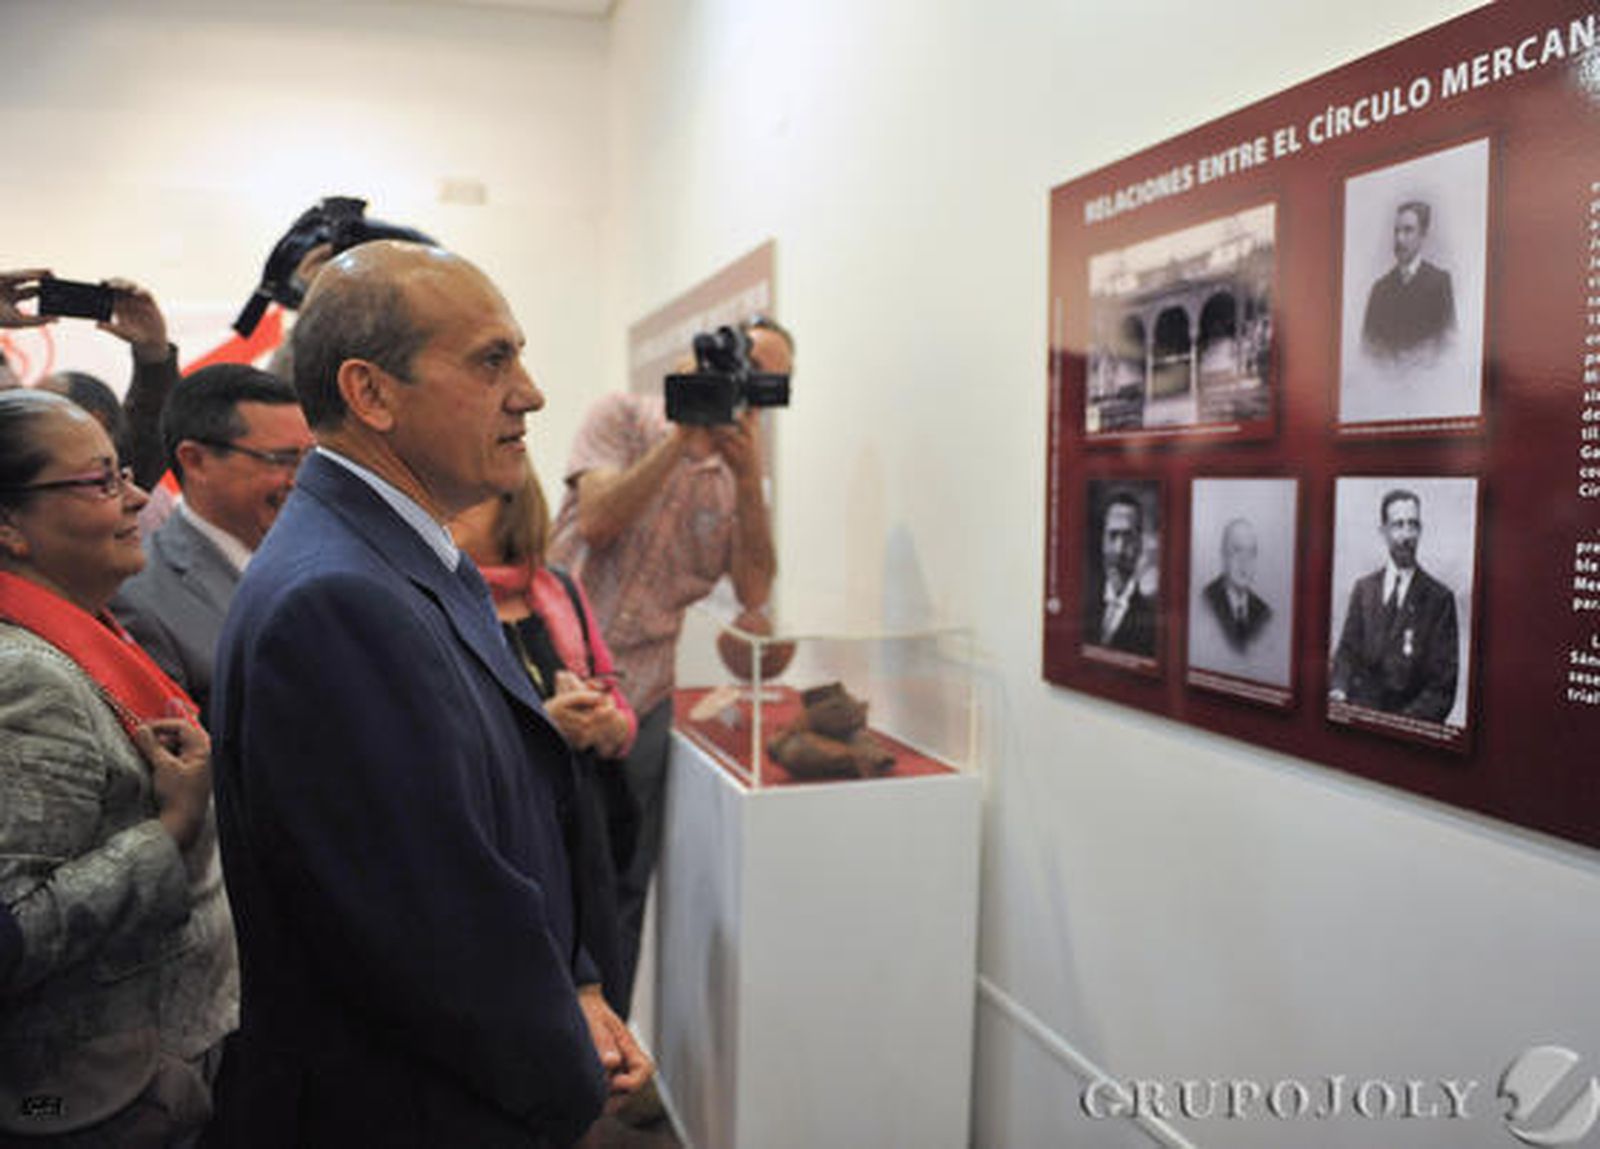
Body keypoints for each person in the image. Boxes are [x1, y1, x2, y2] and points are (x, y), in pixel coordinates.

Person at [209, 241, 648, 1148]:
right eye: (493, 360)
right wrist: (567, 1072)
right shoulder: (338, 596)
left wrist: (577, 982)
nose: (529, 392)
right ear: (370, 392)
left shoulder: (400, 555)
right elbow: (429, 928)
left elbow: (495, 812)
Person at [0, 390, 236, 1146]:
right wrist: (170, 828)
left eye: (124, 471)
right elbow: (16, 930)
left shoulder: (88, 636)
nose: (137, 496)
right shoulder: (28, 679)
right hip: (88, 1103)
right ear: (9, 526)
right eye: (100, 481)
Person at [548, 317, 785, 1017]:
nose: (742, 393)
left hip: (645, 697)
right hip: (557, 679)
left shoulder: (738, 477)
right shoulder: (619, 418)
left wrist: (745, 479)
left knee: (624, 884)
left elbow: (754, 590)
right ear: (695, 364)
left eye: (762, 380)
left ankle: (607, 1061)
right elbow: (596, 519)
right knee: (544, 870)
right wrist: (682, 440)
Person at [452, 460, 637, 1016]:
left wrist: (610, 723)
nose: (451, 515)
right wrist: (543, 725)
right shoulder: (444, 598)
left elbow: (616, 696)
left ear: (511, 505)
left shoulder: (559, 588)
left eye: (471, 501)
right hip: (503, 832)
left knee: (600, 979)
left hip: (583, 835)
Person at [110, 365, 312, 719]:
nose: (301, 480)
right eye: (281, 460)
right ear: (196, 461)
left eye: (310, 458)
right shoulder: (142, 599)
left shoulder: (330, 555)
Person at [1329, 488, 1459, 722]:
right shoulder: (1364, 589)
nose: (1407, 535)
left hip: (1406, 732)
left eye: (1413, 525)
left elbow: (1442, 689)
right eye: (1398, 525)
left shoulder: (1439, 600)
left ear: (1420, 530)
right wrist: (1338, 691)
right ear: (1383, 532)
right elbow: (1346, 654)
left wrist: (1397, 725)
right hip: (1357, 722)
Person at [1360, 201, 1456, 361]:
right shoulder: (1379, 289)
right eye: (1396, 231)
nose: (1399, 239)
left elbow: (1449, 347)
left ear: (1423, 235)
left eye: (1408, 230)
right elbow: (1367, 351)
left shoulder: (1440, 282)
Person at [1083, 489, 1156, 656]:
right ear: (1102, 540)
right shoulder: (1081, 602)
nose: (1118, 549)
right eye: (1112, 535)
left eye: (1128, 537)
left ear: (1140, 544)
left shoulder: (1152, 623)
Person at [1201, 517, 1271, 653]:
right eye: (1237, 550)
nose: (1244, 562)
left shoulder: (1264, 613)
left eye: (1251, 553)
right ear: (1223, 555)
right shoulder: (1206, 600)